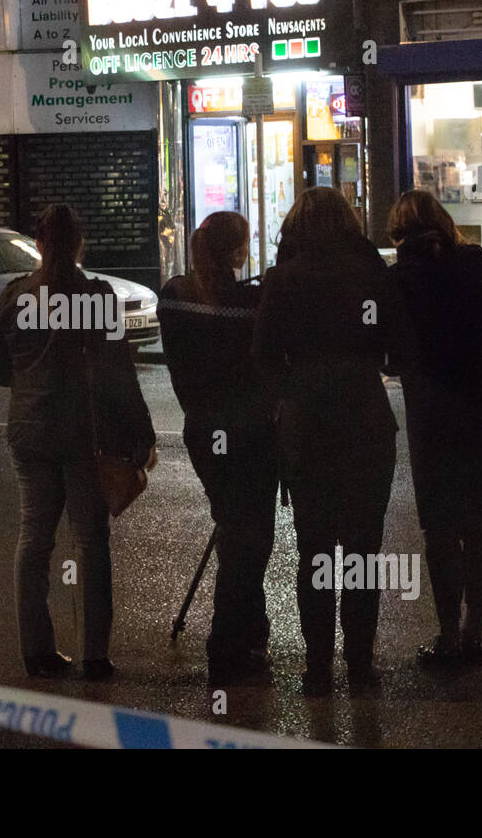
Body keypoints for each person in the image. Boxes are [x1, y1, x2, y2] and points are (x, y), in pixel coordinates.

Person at [0, 204, 157, 681]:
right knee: (91, 541)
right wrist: (141, 433)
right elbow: (120, 374)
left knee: (34, 538)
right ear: (80, 245)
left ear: (38, 244)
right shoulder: (96, 297)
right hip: (83, 433)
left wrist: (30, 375)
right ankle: (95, 657)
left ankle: (36, 653)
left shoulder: (16, 296)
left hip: (30, 430)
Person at [253, 187, 413, 697]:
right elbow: (398, 350)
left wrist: (291, 390)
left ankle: (317, 667)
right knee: (362, 551)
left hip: (307, 426)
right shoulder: (372, 275)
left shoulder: (283, 280)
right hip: (365, 419)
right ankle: (360, 665)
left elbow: (263, 355)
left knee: (314, 547)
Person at [387, 190, 482, 670]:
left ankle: (447, 636)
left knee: (442, 528)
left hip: (432, 416)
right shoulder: (472, 261)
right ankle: (475, 633)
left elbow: (388, 353)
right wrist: (481, 340)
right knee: (481, 521)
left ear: (398, 233)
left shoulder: (398, 279)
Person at [157, 212, 277, 685]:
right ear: (236, 251)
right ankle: (227, 648)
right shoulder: (250, 300)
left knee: (235, 532)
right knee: (250, 539)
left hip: (202, 430)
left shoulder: (174, 295)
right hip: (249, 434)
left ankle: (251, 633)